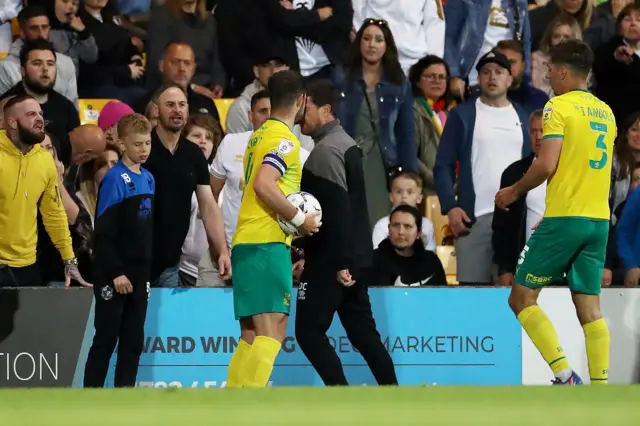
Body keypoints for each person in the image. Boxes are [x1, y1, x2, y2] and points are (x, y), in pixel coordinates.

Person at [495, 39, 616, 385]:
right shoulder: (605, 112)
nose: (547, 75)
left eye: (549, 69)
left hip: (566, 217)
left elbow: (547, 163)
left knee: (521, 298)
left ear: (563, 72)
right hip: (597, 219)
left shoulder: (557, 108)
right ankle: (600, 390)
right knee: (590, 309)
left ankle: (565, 376)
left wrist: (515, 190)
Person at [293, 79, 397, 386]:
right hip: (353, 256)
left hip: (332, 260)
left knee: (308, 332)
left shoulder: (326, 152)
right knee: (363, 333)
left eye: (306, 107)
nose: (300, 114)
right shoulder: (344, 143)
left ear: (325, 110)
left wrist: (340, 262)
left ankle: (340, 394)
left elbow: (338, 211)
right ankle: (395, 395)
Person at [225, 70, 320, 388]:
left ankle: (228, 405)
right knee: (273, 332)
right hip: (266, 242)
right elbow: (264, 184)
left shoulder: (258, 135)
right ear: (302, 101)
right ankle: (248, 408)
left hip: (245, 241)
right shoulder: (284, 140)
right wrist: (299, 219)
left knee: (251, 334)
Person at [83, 113, 155, 388]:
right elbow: (104, 232)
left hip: (140, 272)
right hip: (115, 273)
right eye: (137, 144)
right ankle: (90, 399)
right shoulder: (114, 179)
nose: (144, 149)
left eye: (147, 143)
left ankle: (123, 400)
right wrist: (116, 273)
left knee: (133, 342)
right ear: (122, 144)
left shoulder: (149, 178)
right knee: (106, 339)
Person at [143, 83, 229, 288]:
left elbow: (208, 206)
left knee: (167, 321)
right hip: (135, 262)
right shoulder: (143, 149)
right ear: (156, 110)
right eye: (170, 104)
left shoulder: (193, 154)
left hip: (170, 265)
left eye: (182, 104)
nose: (177, 110)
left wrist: (222, 250)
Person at [0, 94, 89, 288]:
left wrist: (69, 259)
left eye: (40, 113)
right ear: (13, 123)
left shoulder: (44, 161)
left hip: (27, 266)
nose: (39, 118)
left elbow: (54, 214)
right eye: (31, 114)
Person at [492, 109, 546, 287]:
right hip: (524, 267)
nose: (538, 137)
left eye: (543, 131)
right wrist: (505, 269)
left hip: (563, 266)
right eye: (533, 131)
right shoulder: (513, 173)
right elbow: (502, 227)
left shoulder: (571, 173)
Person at [371, 204, 447, 287]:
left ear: (418, 233)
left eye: (407, 226)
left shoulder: (430, 261)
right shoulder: (373, 260)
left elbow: (442, 296)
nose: (401, 232)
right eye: (396, 225)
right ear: (389, 229)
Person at [372, 171, 436, 250]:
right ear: (391, 196)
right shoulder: (382, 226)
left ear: (419, 198)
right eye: (398, 192)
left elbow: (430, 257)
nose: (404, 196)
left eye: (410, 192)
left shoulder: (427, 225)